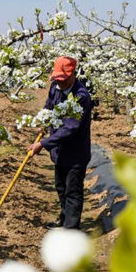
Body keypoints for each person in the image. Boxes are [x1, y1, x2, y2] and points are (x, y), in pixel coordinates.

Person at [28, 56, 93, 230]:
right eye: (57, 79)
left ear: (73, 75)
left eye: (63, 80)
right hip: (59, 151)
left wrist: (43, 143)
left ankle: (71, 230)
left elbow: (70, 128)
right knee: (61, 187)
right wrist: (43, 120)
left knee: (72, 190)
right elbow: (49, 105)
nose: (60, 83)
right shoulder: (55, 88)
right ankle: (63, 219)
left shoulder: (81, 97)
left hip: (75, 153)